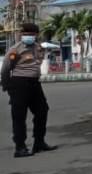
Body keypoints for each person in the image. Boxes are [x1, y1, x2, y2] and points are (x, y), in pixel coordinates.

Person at [1, 23, 57, 158]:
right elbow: (6, 68)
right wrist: (7, 86)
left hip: (34, 84)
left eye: (31, 34)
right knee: (19, 116)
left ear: (36, 35)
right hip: (19, 83)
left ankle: (39, 142)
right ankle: (20, 147)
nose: (28, 36)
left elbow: (37, 62)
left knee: (42, 110)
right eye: (25, 34)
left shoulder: (38, 48)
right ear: (21, 34)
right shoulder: (15, 49)